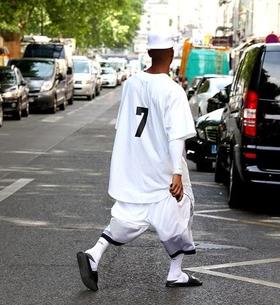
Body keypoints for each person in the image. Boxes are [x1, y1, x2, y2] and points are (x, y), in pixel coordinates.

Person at [77, 32, 202, 291]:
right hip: (163, 170)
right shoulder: (173, 90)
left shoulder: (132, 84)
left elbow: (124, 128)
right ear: (171, 54)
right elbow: (176, 135)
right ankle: (175, 272)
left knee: (126, 217)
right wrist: (177, 172)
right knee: (179, 216)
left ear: (148, 54)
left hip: (135, 168)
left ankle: (94, 254)